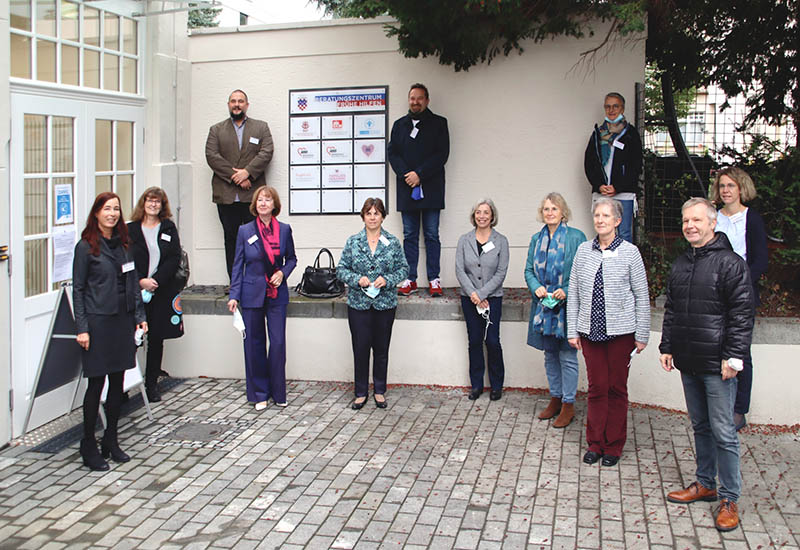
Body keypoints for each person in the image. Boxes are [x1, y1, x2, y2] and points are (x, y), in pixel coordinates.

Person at [660, 198, 754, 533]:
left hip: (719, 365)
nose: (690, 226)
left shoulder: (731, 264)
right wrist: (667, 346)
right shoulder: (682, 263)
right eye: (686, 221)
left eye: (696, 220)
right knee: (700, 427)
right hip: (689, 360)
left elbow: (743, 316)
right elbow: (672, 308)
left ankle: (729, 498)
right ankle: (705, 484)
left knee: (725, 433)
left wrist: (734, 357)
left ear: (712, 223)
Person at [567, 198, 650, 467]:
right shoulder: (583, 251)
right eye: (597, 215)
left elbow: (641, 294)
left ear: (617, 221)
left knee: (616, 388)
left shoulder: (630, 252)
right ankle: (594, 443)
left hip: (621, 333)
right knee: (596, 388)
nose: (600, 220)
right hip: (590, 332)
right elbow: (575, 294)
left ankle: (613, 445)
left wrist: (642, 333)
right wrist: (573, 330)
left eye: (606, 216)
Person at [73, 192, 147, 471]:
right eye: (107, 209)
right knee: (96, 386)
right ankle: (88, 444)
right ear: (96, 213)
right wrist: (82, 329)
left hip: (122, 322)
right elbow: (78, 290)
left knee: (117, 386)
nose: (113, 214)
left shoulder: (124, 245)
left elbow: (132, 284)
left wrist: (139, 317)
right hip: (97, 323)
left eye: (116, 209)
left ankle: (111, 440)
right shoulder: (86, 247)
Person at [227, 186, 296, 409]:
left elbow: (292, 259)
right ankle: (259, 394)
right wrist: (234, 295)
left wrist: (282, 273)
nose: (263, 203)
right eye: (260, 200)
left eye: (267, 200)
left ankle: (278, 392)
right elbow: (238, 265)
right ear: (255, 205)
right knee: (253, 344)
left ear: (275, 205)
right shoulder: (245, 231)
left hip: (277, 294)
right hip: (251, 294)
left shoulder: (284, 230)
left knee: (277, 343)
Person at [710, 167, 768, 431]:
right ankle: (718, 405)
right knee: (715, 350)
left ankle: (739, 410)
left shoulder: (751, 219)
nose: (725, 190)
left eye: (730, 185)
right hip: (713, 292)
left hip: (741, 292)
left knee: (741, 351)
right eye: (722, 185)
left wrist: (741, 282)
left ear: (741, 188)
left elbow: (760, 260)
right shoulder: (713, 217)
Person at [337, 198, 409, 409]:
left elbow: (404, 269)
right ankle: (360, 392)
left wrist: (387, 280)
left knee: (381, 349)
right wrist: (356, 279)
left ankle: (379, 390)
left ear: (383, 217)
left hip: (384, 304)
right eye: (369, 213)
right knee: (360, 349)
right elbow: (341, 269)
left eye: (376, 213)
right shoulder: (353, 241)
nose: (372, 217)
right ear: (363, 216)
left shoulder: (392, 242)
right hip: (359, 304)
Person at [525, 193, 587, 427]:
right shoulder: (535, 239)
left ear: (563, 212)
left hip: (566, 309)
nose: (549, 212)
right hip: (544, 308)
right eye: (546, 209)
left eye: (554, 208)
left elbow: (583, 271)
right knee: (549, 355)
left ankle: (569, 404)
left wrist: (567, 290)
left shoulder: (576, 237)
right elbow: (529, 270)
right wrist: (537, 287)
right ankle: (555, 398)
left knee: (567, 356)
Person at [206, 89, 275, 283]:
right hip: (226, 197)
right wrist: (236, 176)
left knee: (258, 239)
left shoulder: (261, 128)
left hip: (252, 196)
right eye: (233, 101)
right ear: (229, 104)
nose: (237, 104)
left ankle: (258, 281)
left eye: (241, 101)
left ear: (247, 105)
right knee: (231, 241)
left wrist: (247, 173)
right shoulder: (216, 130)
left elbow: (266, 152)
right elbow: (212, 156)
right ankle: (235, 282)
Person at [388, 83, 450, 297]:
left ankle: (434, 278)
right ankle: (409, 279)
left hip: (431, 189)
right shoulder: (398, 126)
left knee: (432, 235)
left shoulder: (439, 124)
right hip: (407, 190)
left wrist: (420, 174)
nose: (415, 102)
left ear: (427, 100)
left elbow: (442, 154)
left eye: (420, 98)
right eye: (412, 98)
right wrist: (408, 174)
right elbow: (392, 154)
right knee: (409, 235)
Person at [128, 187, 184, 403]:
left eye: (157, 202)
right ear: (143, 203)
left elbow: (174, 257)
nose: (153, 205)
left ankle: (151, 383)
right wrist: (141, 279)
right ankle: (123, 385)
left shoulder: (168, 227)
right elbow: (125, 259)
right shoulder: (130, 229)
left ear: (162, 205)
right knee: (131, 339)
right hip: (136, 290)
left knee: (156, 339)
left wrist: (156, 281)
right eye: (150, 201)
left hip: (161, 291)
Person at [455, 199, 510, 401]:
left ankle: (497, 385)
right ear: (473, 215)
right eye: (478, 212)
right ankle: (476, 385)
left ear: (492, 216)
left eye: (486, 212)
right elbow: (460, 270)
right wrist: (474, 295)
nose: (482, 216)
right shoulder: (464, 240)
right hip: (469, 298)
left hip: (492, 299)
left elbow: (501, 272)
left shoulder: (501, 241)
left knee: (493, 341)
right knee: (475, 341)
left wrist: (483, 294)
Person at [584, 92, 643, 243]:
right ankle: (605, 265)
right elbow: (589, 163)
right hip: (602, 192)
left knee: (624, 234)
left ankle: (623, 267)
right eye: (608, 106)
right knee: (602, 232)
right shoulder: (598, 134)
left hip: (623, 193)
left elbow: (635, 165)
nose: (611, 110)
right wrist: (598, 185)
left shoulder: (630, 134)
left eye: (615, 106)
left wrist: (618, 187)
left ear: (622, 109)